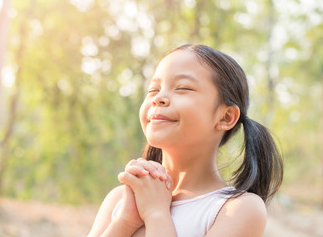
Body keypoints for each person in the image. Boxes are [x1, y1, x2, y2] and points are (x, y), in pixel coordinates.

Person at [88, 44, 283, 237]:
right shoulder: (119, 200)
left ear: (225, 117)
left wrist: (157, 213)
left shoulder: (237, 209)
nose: (159, 98)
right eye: (153, 89)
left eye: (182, 88)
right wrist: (125, 222)